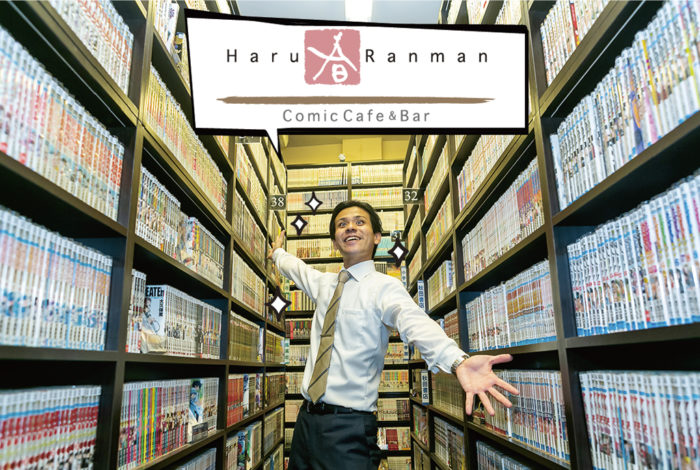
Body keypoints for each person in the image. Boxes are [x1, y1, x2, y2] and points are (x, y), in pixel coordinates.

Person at [268, 200, 518, 470]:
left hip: (348, 429)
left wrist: (457, 361)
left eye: (359, 222)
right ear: (335, 241)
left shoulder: (386, 288)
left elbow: (414, 322)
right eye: (342, 224)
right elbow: (295, 268)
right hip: (305, 423)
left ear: (377, 236)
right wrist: (277, 253)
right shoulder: (324, 283)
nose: (350, 227)